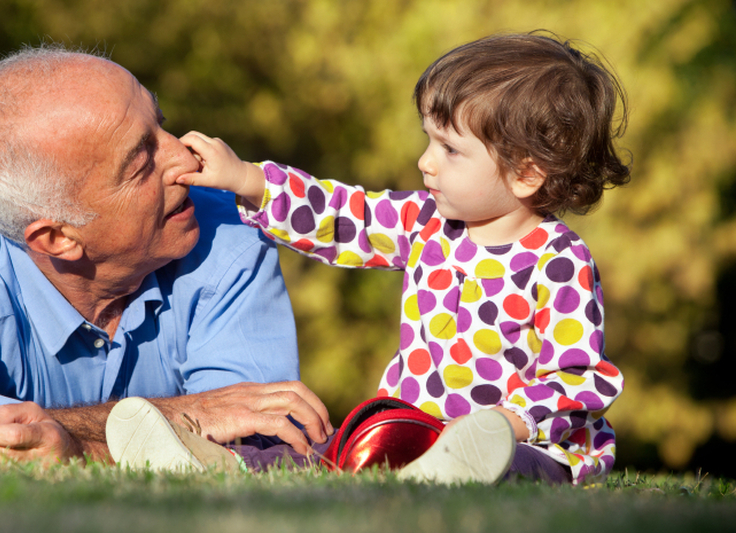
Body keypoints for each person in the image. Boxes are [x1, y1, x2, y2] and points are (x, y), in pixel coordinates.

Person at [172, 32, 630, 484]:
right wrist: (249, 179)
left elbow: (576, 375)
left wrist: (511, 423)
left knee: (518, 467)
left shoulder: (559, 260)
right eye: (429, 139)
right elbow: (344, 215)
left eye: (450, 149)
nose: (425, 161)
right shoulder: (424, 222)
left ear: (526, 172)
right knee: (331, 448)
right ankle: (221, 461)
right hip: (413, 430)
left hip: (530, 444)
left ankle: (468, 465)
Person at [0, 44, 334, 465]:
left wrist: (73, 442)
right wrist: (179, 417)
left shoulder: (228, 226)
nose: (188, 160)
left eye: (161, 125)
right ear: (57, 238)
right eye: (140, 164)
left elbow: (259, 442)